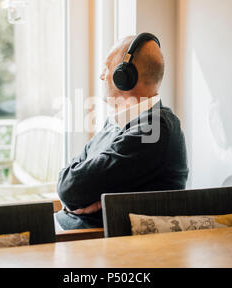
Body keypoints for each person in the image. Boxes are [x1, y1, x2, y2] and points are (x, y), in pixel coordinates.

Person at [54, 33, 189, 230]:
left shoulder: (156, 130)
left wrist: (78, 194)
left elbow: (70, 190)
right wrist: (81, 198)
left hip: (96, 243)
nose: (101, 76)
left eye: (106, 67)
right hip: (72, 230)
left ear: (124, 76)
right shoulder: (117, 123)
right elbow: (68, 180)